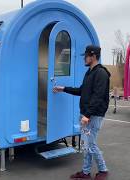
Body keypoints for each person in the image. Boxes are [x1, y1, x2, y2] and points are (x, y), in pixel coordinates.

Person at [53, 45, 111, 180]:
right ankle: (85, 172)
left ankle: (103, 170)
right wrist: (63, 89)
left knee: (90, 144)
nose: (84, 58)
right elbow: (81, 91)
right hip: (86, 114)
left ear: (93, 56)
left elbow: (98, 96)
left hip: (93, 116)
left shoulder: (101, 73)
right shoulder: (89, 72)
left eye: (86, 56)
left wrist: (87, 115)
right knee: (86, 144)